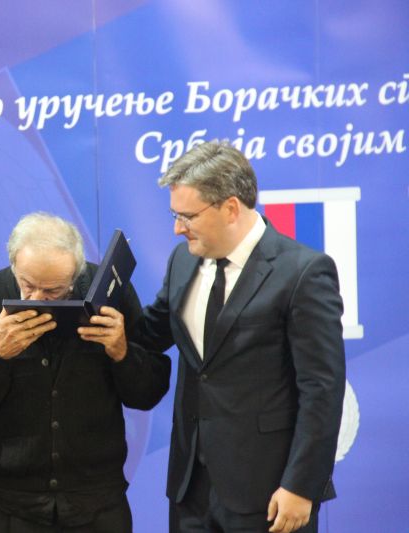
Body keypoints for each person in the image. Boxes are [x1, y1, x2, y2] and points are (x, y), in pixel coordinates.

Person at [137, 141, 346, 533]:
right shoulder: (183, 260)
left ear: (231, 208)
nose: (178, 228)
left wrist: (302, 485)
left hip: (268, 493)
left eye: (187, 216)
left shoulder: (303, 272)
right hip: (190, 490)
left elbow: (322, 388)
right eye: (175, 215)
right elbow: (150, 333)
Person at [0, 212, 171, 533]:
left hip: (97, 500)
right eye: (27, 285)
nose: (37, 299)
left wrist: (122, 352)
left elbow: (148, 394)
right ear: (13, 264)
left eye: (53, 291)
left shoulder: (109, 294)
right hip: (8, 504)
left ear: (75, 275)